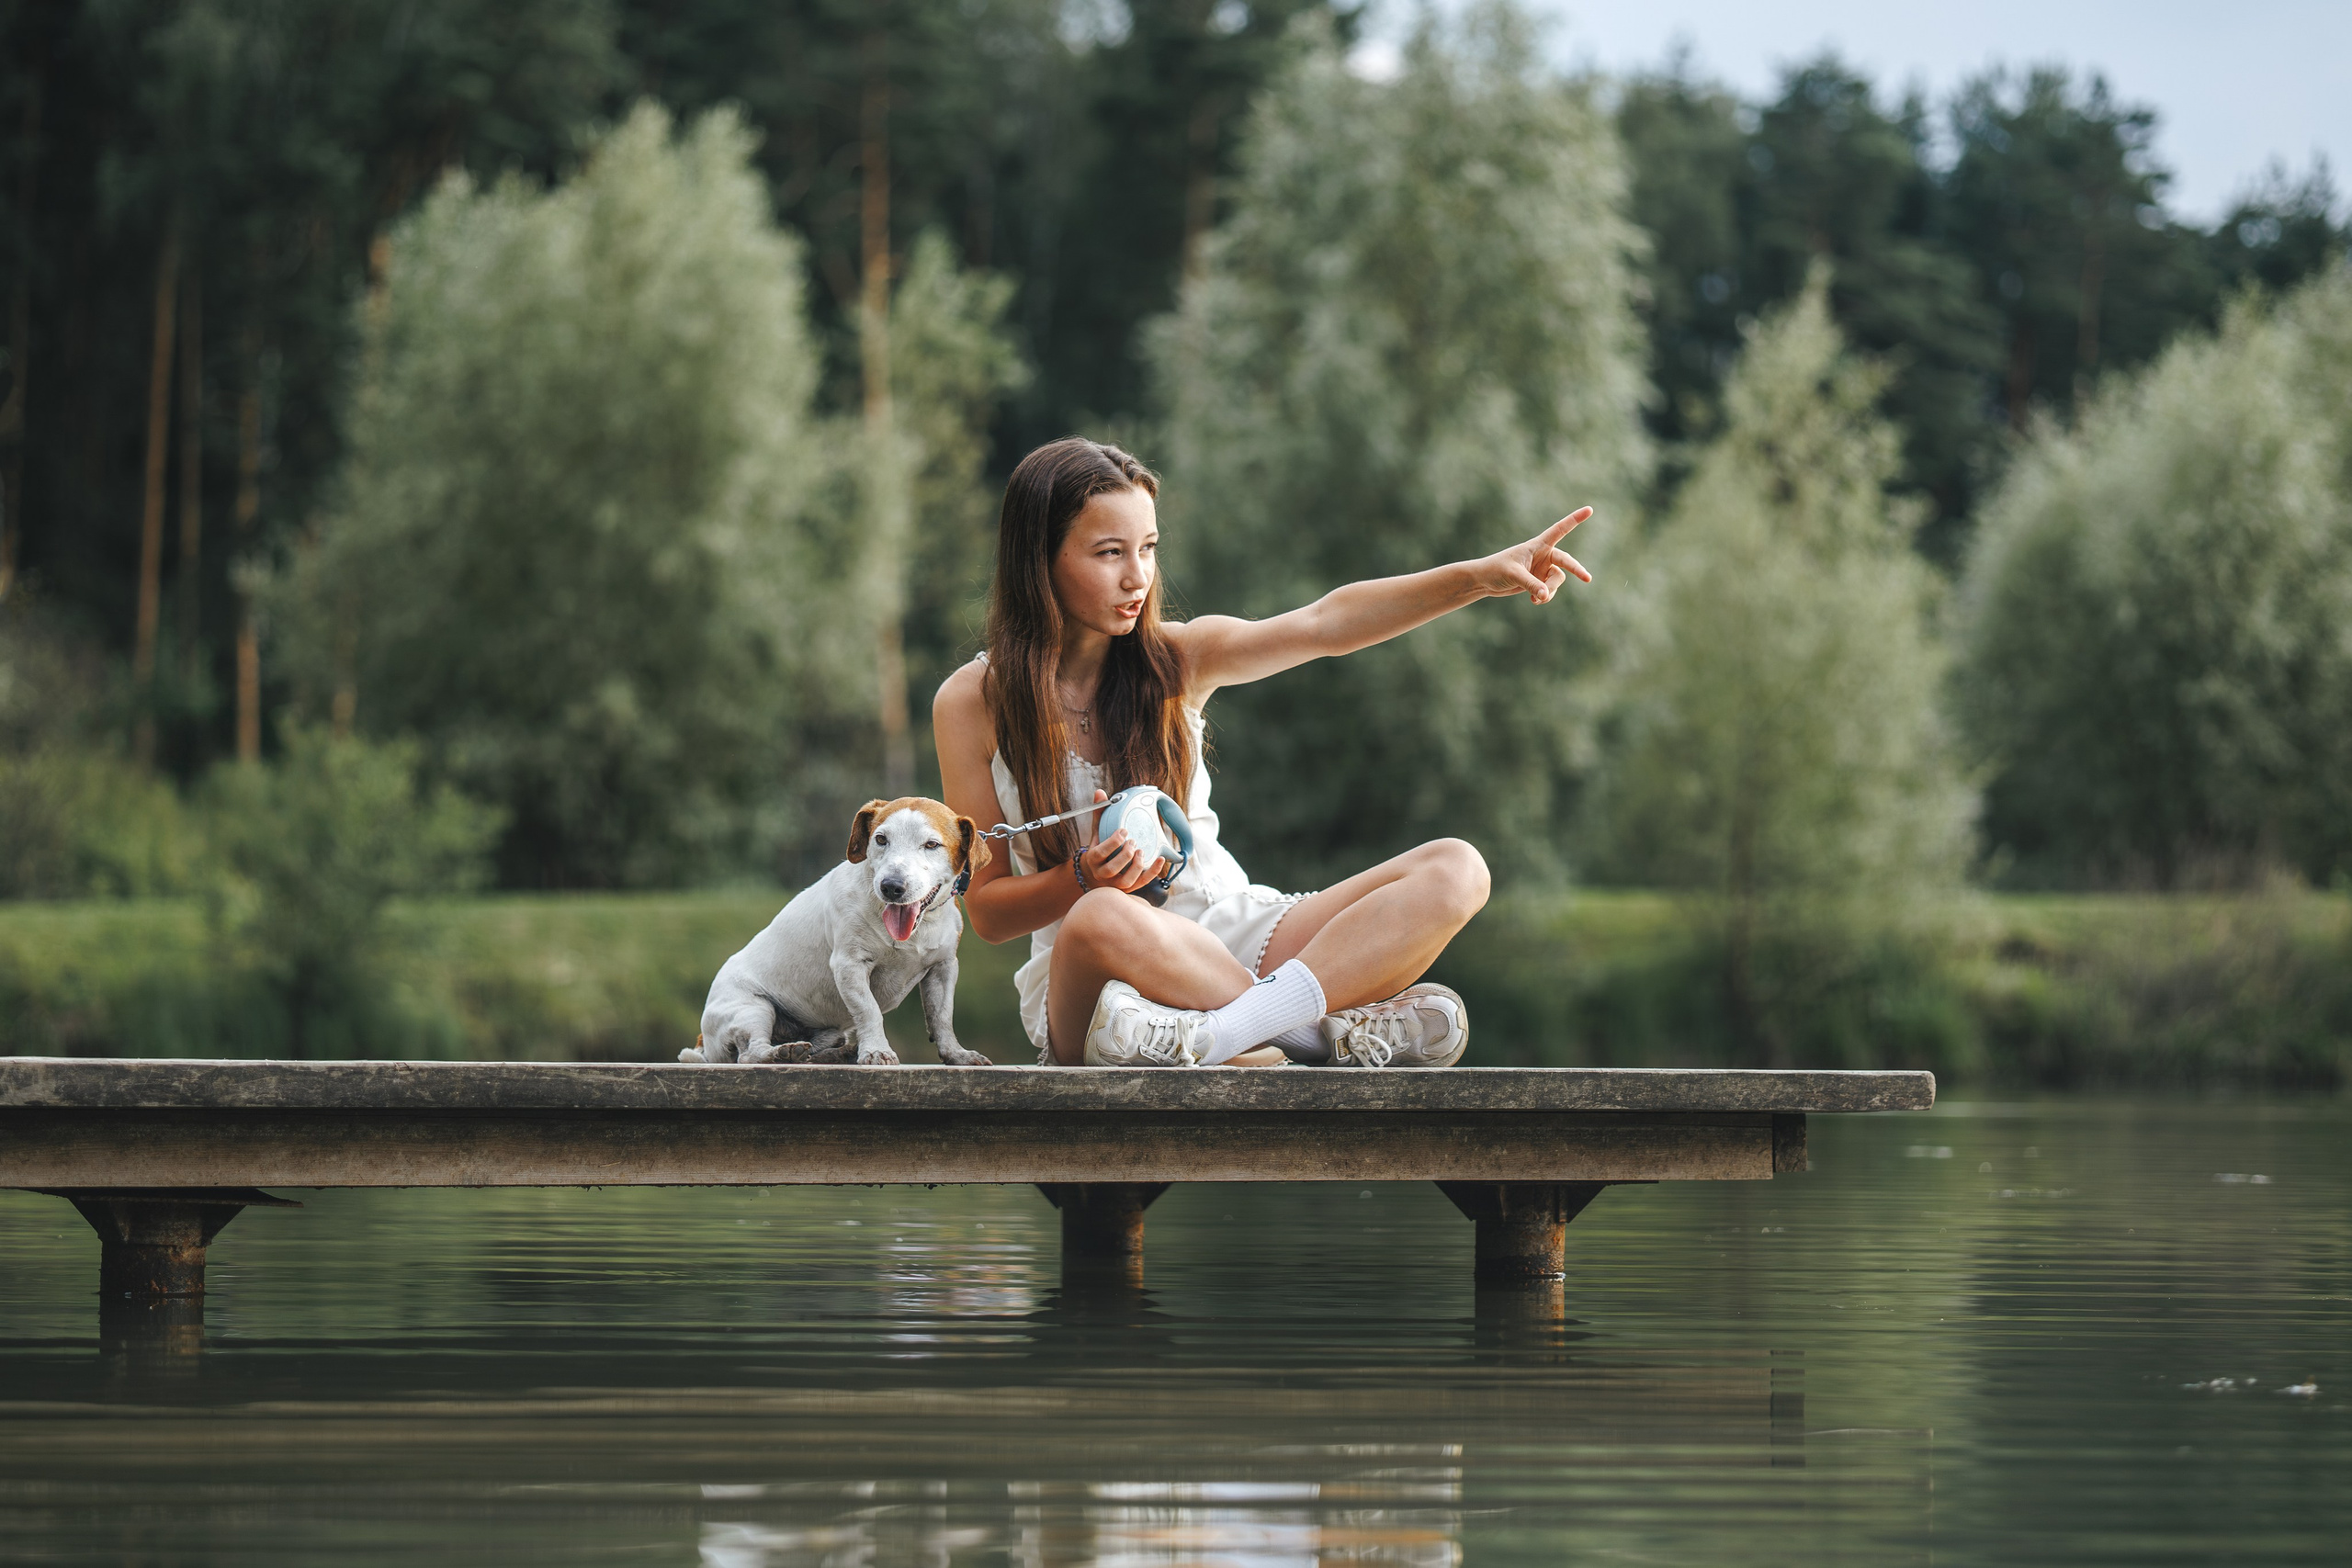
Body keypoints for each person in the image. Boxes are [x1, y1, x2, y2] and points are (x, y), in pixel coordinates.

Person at [932, 437, 1593, 1068]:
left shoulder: (1178, 659)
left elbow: (1324, 624)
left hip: (1237, 932)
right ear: (1039, 560)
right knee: (1104, 913)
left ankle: (1237, 1032)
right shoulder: (973, 702)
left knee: (1459, 869)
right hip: (1100, 978)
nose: (1138, 576)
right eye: (1109, 553)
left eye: (1149, 548)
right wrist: (1084, 878)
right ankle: (1314, 1030)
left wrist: (1476, 578)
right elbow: (986, 910)